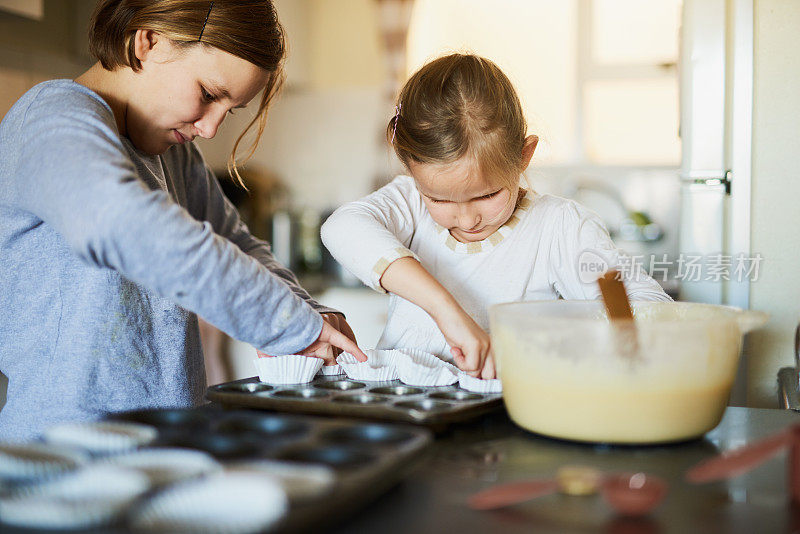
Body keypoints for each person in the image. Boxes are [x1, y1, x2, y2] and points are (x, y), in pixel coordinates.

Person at [0, 0, 366, 441]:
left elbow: (238, 244)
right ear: (148, 43)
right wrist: (284, 322)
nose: (210, 128)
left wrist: (308, 311)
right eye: (209, 95)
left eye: (227, 110)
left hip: (170, 447)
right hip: (63, 460)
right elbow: (121, 226)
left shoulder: (177, 155)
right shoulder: (52, 118)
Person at [321, 53, 670, 381]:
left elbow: (649, 310)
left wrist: (565, 339)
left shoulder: (561, 227)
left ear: (524, 156)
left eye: (487, 195)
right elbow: (342, 228)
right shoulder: (410, 203)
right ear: (413, 173)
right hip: (402, 408)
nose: (468, 218)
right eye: (440, 199)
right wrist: (446, 310)